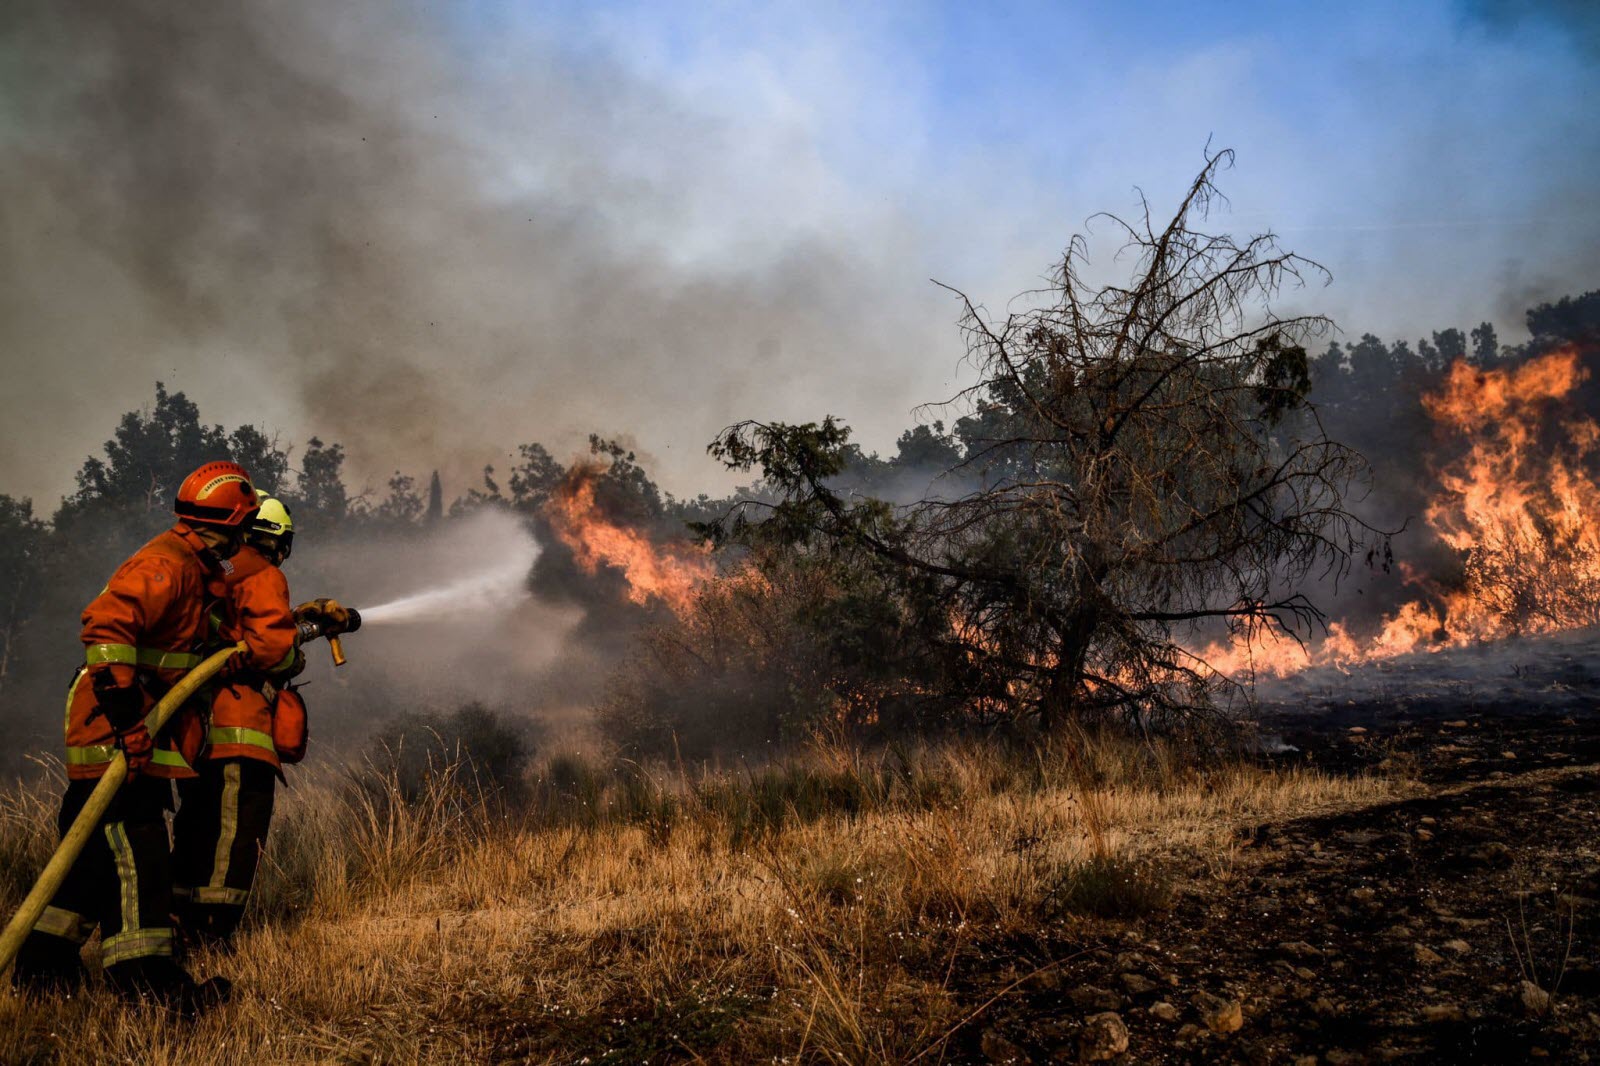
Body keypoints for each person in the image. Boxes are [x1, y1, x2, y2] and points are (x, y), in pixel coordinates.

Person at [10, 461, 260, 1015]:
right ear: (235, 523)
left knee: (92, 862)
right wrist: (126, 721)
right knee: (138, 853)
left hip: (133, 731)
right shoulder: (163, 566)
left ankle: (41, 967)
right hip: (115, 732)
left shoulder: (193, 569)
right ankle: (150, 986)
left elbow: (200, 644)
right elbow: (105, 632)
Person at [171, 491, 308, 950]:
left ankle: (177, 921)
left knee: (196, 828)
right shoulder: (262, 572)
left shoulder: (218, 572)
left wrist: (296, 622)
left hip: (196, 732)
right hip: (238, 729)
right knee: (236, 834)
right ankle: (212, 931)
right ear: (277, 540)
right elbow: (273, 650)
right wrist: (295, 655)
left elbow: (239, 634)